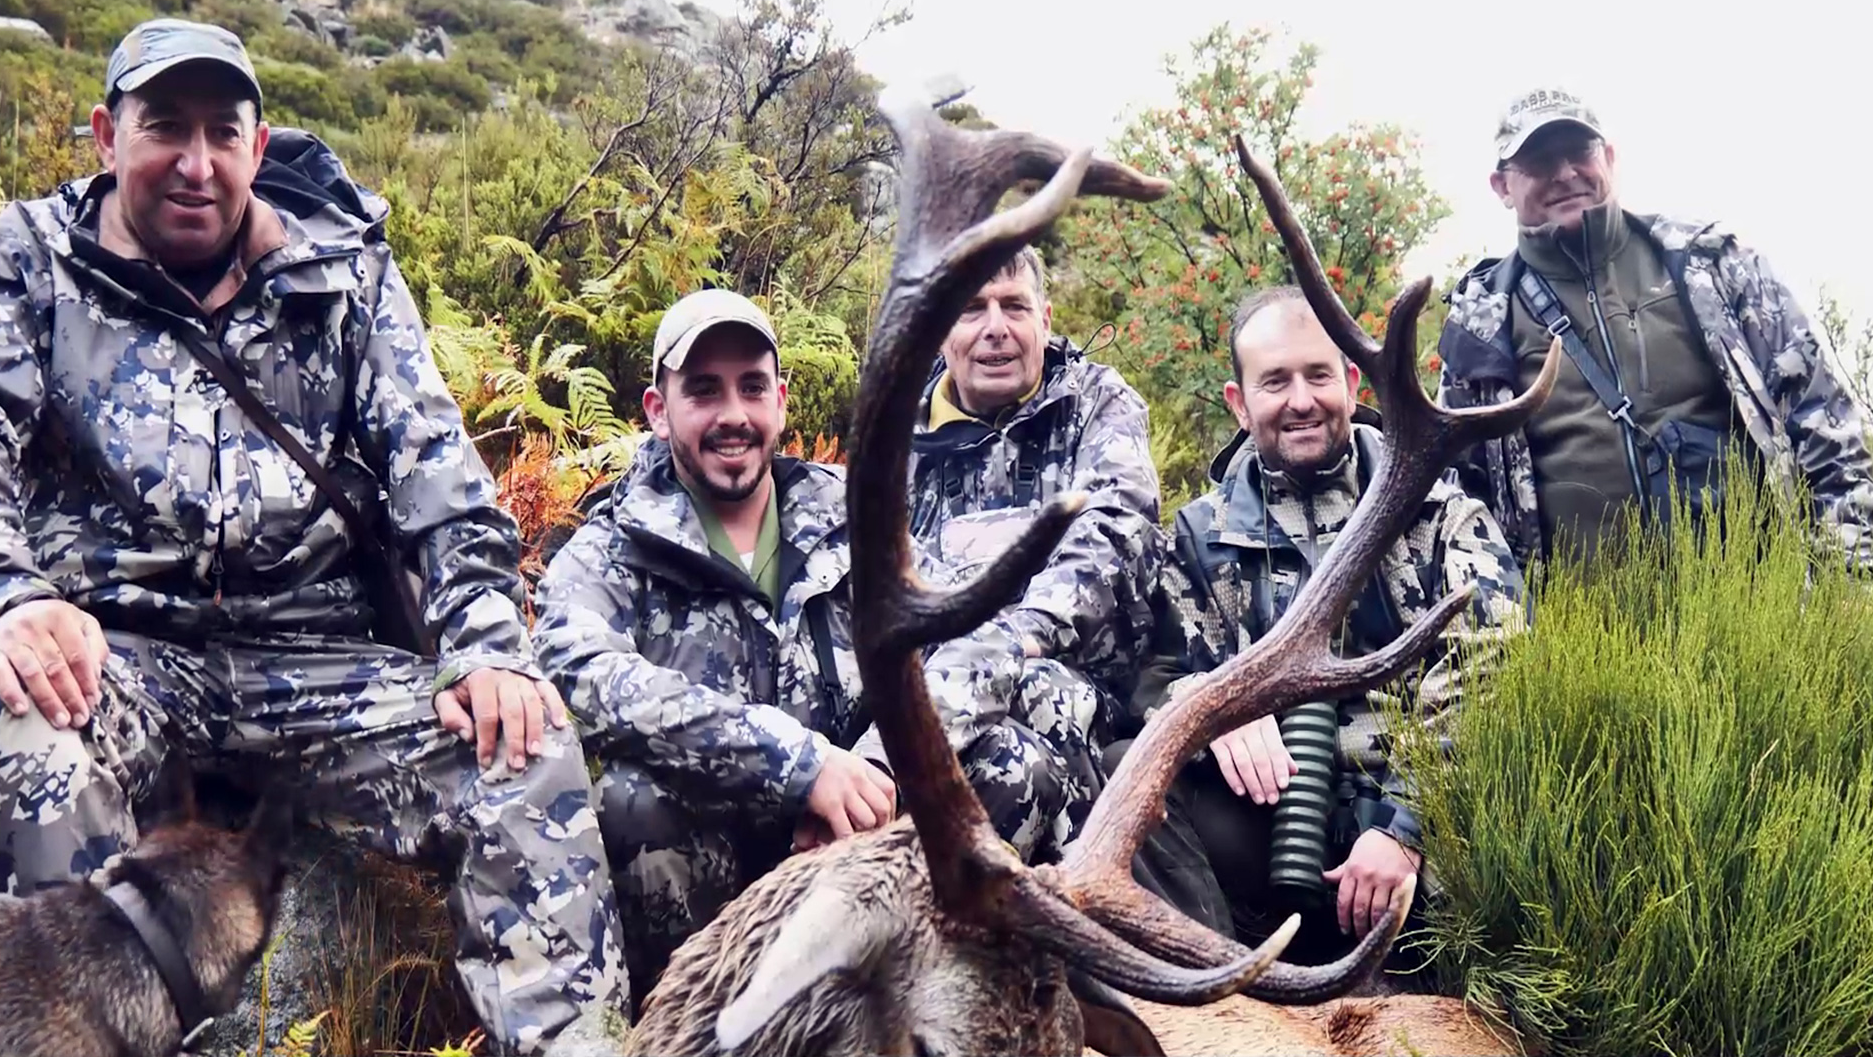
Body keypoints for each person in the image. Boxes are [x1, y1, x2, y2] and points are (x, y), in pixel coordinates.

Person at [0, 19, 625, 1056]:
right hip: (117, 653)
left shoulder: (344, 271)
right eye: (164, 127)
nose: (197, 162)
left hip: (320, 664)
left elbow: (442, 481)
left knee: (523, 744)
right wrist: (6, 592)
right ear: (105, 135)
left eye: (223, 133)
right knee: (15, 716)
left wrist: (488, 646)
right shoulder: (26, 263)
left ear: (257, 148)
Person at [532, 288, 1067, 1012]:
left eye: (752, 388)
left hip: (864, 845)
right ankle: (693, 1030)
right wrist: (795, 766)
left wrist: (879, 768)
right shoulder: (608, 549)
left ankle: (939, 1012)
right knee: (633, 805)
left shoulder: (858, 516)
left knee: (1015, 764)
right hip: (720, 875)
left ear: (780, 402)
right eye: (704, 391)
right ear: (658, 411)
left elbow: (976, 635)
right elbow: (582, 670)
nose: (733, 415)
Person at [1118, 287, 1526, 959]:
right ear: (1239, 403)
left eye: (1318, 375)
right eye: (1275, 381)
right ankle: (1218, 979)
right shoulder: (1197, 535)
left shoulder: (1439, 511)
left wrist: (1407, 826)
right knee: (1127, 772)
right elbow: (1151, 675)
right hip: (1275, 833)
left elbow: (1494, 668)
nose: (1301, 400)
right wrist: (1210, 707)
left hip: (1426, 827)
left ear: (1352, 382)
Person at [1438, 86, 1873, 571]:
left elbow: (1825, 429)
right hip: (1577, 619)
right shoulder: (1478, 326)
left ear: (1608, 156)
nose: (1564, 173)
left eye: (1578, 151)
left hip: (1762, 604)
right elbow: (1458, 505)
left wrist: (1851, 581)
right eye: (1539, 160)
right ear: (1502, 186)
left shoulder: (1715, 265)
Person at [887, 245, 1164, 858]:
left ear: (1045, 318)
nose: (996, 329)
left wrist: (1016, 635)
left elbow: (1117, 535)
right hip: (936, 684)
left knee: (1038, 706)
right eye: (972, 309)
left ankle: (1071, 892)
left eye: (1014, 306)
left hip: (1070, 679)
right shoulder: (898, 439)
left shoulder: (1098, 403)